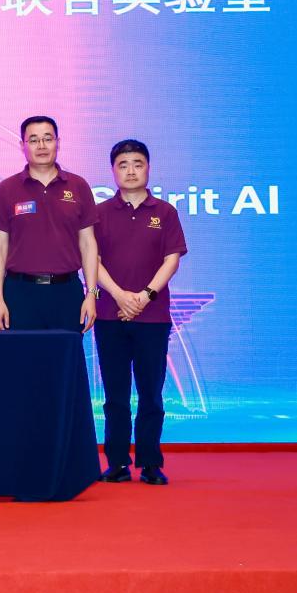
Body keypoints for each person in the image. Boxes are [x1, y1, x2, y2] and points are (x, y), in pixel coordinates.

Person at [94, 139, 187, 486]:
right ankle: (117, 462)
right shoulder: (99, 213)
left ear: (148, 168)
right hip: (109, 314)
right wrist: (120, 296)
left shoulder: (165, 212)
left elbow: (171, 259)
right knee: (115, 394)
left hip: (152, 317)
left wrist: (145, 296)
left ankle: (150, 462)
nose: (130, 171)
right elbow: (92, 261)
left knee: (151, 393)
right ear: (113, 171)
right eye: (123, 164)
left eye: (137, 164)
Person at [0, 116, 98, 333]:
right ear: (22, 145)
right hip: (19, 293)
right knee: (21, 354)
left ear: (58, 142)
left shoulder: (78, 186)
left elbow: (88, 244)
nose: (41, 146)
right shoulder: (7, 189)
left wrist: (91, 294)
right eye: (33, 140)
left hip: (67, 292)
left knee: (66, 354)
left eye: (48, 139)